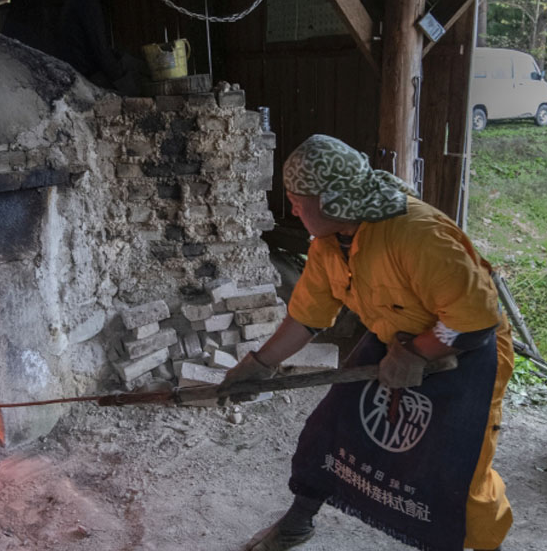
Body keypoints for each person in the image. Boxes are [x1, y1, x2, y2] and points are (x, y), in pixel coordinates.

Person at [218, 134, 514, 551]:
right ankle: (298, 521)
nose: (293, 207)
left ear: (334, 201)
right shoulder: (329, 245)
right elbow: (306, 318)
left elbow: (474, 322)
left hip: (467, 353)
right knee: (329, 430)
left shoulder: (415, 235)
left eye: (299, 200)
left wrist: (417, 354)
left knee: (458, 467)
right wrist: (260, 364)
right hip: (396, 341)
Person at [58, 0, 142, 96]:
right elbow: (100, 50)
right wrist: (125, 84)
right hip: (82, 74)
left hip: (82, 69)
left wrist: (123, 59)